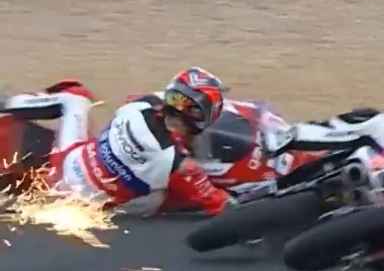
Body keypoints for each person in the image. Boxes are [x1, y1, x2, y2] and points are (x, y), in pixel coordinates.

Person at [1, 69, 234, 216]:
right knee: (164, 197)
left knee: (75, 96)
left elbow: (148, 102)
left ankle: (9, 103)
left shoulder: (138, 105)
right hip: (79, 204)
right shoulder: (181, 166)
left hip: (66, 160)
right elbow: (220, 204)